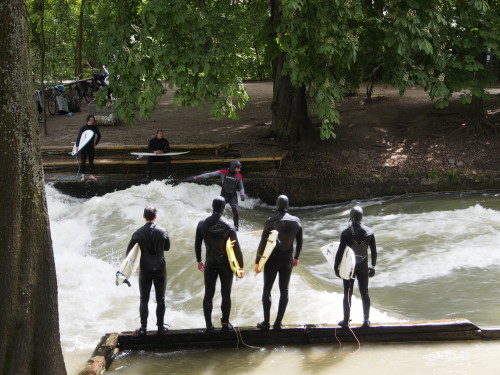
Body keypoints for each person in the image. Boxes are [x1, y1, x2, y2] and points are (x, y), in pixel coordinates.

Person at [195, 196, 244, 332]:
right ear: (224, 208)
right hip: (225, 263)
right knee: (225, 294)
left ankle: (209, 326)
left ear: (212, 206)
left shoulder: (202, 224)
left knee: (208, 294)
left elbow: (197, 243)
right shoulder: (229, 225)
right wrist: (240, 267)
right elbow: (236, 248)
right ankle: (225, 324)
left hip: (210, 262)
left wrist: (199, 260)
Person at [254, 195, 303, 331]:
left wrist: (258, 262)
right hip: (287, 259)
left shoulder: (271, 221)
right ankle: (278, 323)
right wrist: (296, 257)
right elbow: (299, 243)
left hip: (272, 259)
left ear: (277, 205)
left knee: (267, 289)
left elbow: (263, 243)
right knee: (284, 290)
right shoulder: (296, 221)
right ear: (287, 205)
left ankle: (266, 323)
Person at [126, 206, 171, 335]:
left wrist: (132, 269)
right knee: (160, 298)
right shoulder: (163, 231)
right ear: (155, 217)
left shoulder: (138, 233)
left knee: (144, 299)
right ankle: (161, 327)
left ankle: (143, 328)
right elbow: (167, 247)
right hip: (160, 268)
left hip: (145, 269)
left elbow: (129, 254)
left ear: (143, 216)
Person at [334, 205, 377, 328]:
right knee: (365, 293)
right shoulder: (369, 232)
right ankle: (366, 320)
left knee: (347, 293)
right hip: (363, 265)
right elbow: (374, 251)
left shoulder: (346, 233)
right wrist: (373, 266)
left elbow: (340, 251)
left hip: (349, 267)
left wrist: (336, 267)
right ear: (361, 217)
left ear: (351, 217)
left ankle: (346, 321)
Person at [188, 160, 246, 230]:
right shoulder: (224, 172)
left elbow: (241, 187)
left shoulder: (239, 176)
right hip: (223, 195)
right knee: (217, 212)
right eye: (238, 168)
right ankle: (215, 225)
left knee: (235, 210)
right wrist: (196, 177)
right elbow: (210, 174)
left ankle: (236, 228)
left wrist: (242, 194)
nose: (239, 170)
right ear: (233, 167)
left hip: (232, 197)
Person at [76, 115, 101, 181]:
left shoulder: (95, 127)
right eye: (91, 120)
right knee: (83, 161)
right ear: (88, 120)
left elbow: (99, 136)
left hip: (91, 146)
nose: (92, 121)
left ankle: (91, 175)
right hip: (84, 146)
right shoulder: (83, 128)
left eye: (93, 120)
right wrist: (77, 146)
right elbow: (79, 138)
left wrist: (95, 143)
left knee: (91, 161)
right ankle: (83, 175)